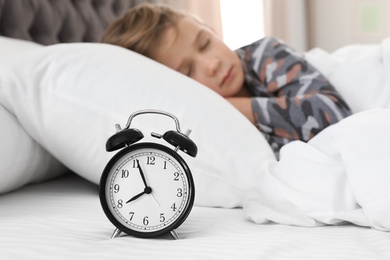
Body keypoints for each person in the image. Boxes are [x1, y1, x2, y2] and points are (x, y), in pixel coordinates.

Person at [101, 3, 352, 157]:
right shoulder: (192, 122)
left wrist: (231, 107)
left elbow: (335, 113)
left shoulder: (265, 54)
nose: (212, 64)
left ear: (213, 29)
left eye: (205, 43)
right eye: (188, 72)